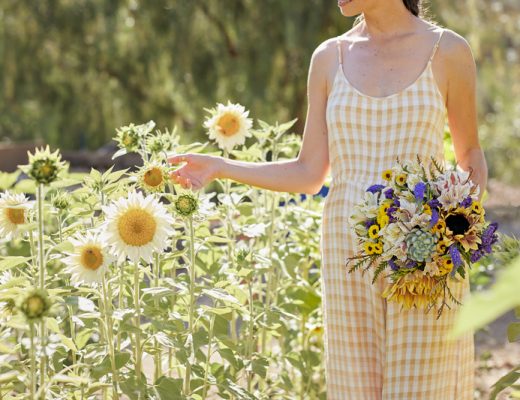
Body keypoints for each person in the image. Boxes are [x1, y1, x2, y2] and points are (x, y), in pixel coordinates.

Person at [168, 0, 487, 398]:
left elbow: (470, 154)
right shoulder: (329, 57)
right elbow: (309, 173)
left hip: (424, 255)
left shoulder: (448, 51)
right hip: (346, 254)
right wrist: (220, 166)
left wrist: (452, 223)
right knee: (353, 389)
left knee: (424, 389)